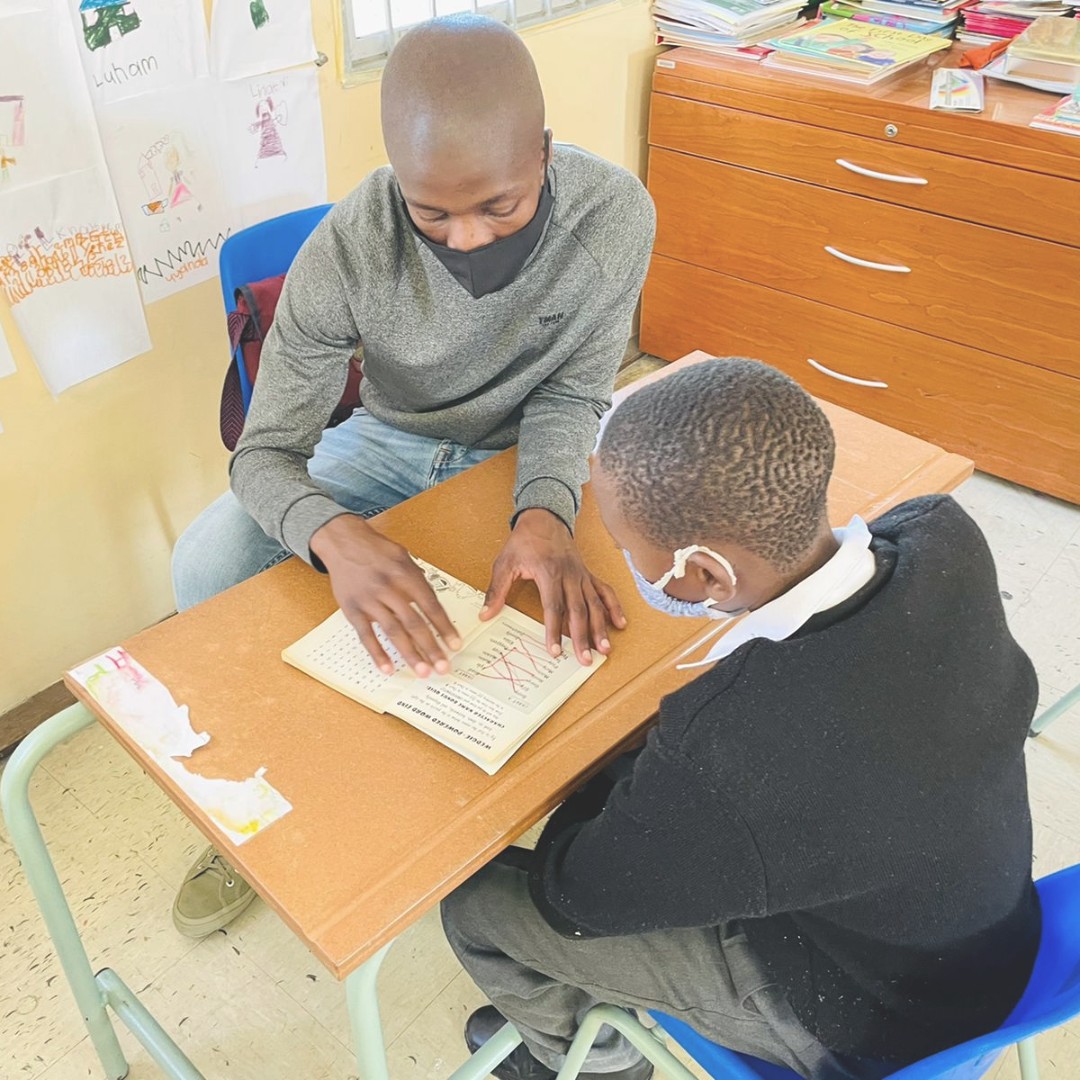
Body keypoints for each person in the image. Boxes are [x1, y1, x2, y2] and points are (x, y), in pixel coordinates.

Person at [168, 13, 655, 937]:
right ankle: (260, 801)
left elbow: (571, 394)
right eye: (433, 214)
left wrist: (546, 513)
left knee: (592, 646)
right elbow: (264, 453)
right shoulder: (348, 248)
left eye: (499, 207)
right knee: (209, 563)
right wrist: (330, 533)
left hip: (526, 452)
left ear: (544, 155)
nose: (466, 239)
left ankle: (515, 832)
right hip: (387, 442)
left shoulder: (614, 214)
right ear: (397, 176)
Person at [441, 358, 1041, 1080]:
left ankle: (598, 1065)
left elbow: (574, 897)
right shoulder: (942, 537)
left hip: (866, 1017)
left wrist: (615, 769)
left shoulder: (734, 747)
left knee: (477, 907)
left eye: (628, 549)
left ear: (708, 576)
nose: (625, 561)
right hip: (981, 943)